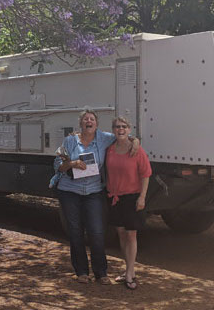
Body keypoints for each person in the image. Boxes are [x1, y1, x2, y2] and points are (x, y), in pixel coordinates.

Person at [53, 108, 138, 284]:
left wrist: (135, 140)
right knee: (75, 232)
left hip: (93, 191)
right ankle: (82, 272)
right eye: (85, 119)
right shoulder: (70, 141)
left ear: (96, 123)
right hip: (70, 191)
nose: (88, 121)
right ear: (81, 123)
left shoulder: (104, 138)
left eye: (91, 119)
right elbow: (57, 165)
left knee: (97, 232)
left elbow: (122, 136)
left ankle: (101, 273)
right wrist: (72, 163)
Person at [105, 116, 151, 290]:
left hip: (132, 197)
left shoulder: (136, 150)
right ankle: (127, 269)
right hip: (115, 197)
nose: (121, 129)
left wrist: (142, 197)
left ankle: (131, 272)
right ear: (113, 130)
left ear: (129, 130)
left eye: (124, 126)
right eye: (117, 127)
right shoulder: (109, 149)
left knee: (131, 235)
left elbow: (146, 174)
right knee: (121, 234)